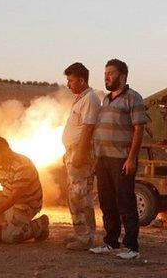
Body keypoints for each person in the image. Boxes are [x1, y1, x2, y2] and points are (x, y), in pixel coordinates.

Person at [89, 59, 146, 260]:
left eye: (110, 73)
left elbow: (139, 130)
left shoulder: (133, 98)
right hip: (103, 159)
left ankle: (131, 247)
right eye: (105, 73)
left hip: (121, 159)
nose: (106, 77)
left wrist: (131, 159)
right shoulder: (106, 99)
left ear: (122, 76)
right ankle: (110, 242)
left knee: (126, 203)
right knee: (107, 203)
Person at [61, 63, 101, 250]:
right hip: (73, 153)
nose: (68, 84)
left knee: (81, 196)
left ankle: (85, 238)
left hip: (81, 154)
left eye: (70, 80)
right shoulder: (80, 99)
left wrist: (79, 154)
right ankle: (81, 234)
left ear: (82, 80)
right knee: (74, 196)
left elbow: (88, 128)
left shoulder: (90, 99)